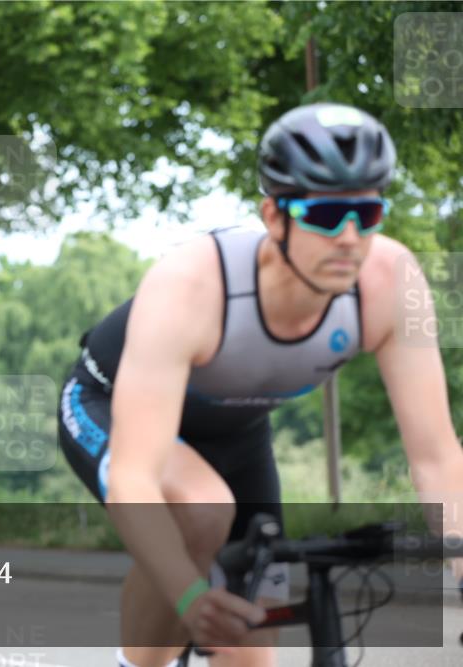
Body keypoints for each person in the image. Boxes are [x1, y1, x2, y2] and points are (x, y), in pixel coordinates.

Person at [57, 103, 463, 667]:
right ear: (274, 217)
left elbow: (438, 457)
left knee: (252, 655)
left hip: (237, 434)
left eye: (367, 215)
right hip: (109, 408)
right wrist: (189, 595)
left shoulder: (391, 283)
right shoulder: (192, 284)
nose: (349, 238)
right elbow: (134, 475)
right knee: (201, 509)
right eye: (324, 214)